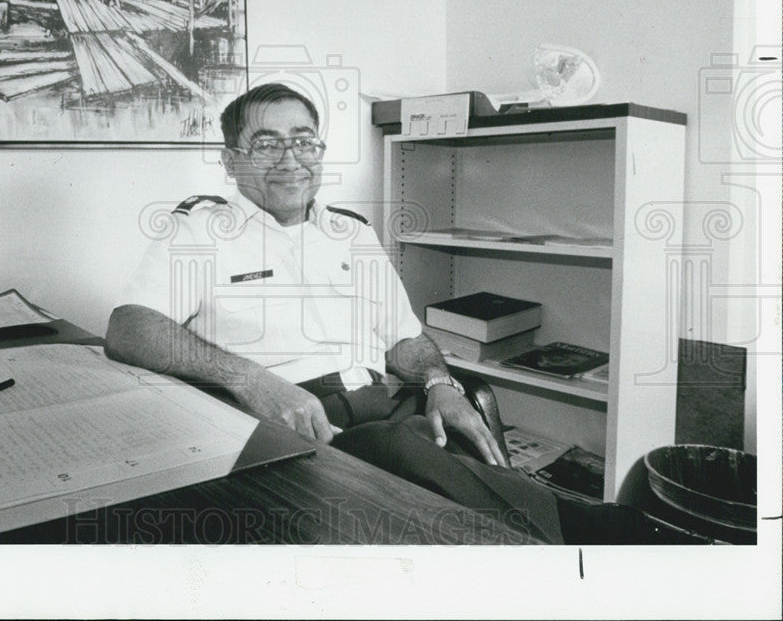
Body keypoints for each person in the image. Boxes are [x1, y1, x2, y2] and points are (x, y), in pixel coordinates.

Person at [105, 82, 663, 545]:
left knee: (456, 440)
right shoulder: (200, 229)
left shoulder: (351, 232)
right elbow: (130, 328)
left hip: (387, 402)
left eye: (303, 141)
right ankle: (584, 535)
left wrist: (441, 382)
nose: (290, 159)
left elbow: (405, 339)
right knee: (401, 455)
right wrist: (252, 380)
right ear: (232, 161)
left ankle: (553, 552)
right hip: (293, 421)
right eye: (266, 144)